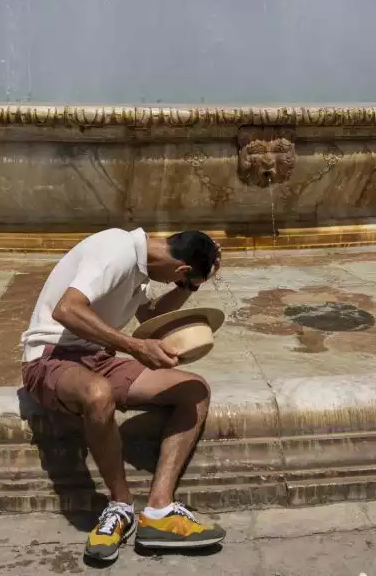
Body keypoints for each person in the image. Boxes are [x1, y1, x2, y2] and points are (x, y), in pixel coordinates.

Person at [20, 228, 226, 562]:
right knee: (99, 395)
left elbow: (149, 315)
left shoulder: (139, 265)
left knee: (195, 390)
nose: (181, 284)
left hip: (97, 360)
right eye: (185, 279)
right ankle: (120, 506)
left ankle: (160, 508)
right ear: (181, 268)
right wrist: (135, 346)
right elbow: (66, 311)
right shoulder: (117, 251)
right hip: (49, 359)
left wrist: (191, 286)